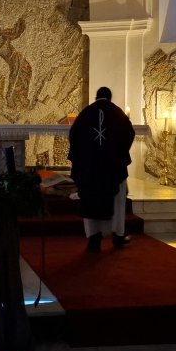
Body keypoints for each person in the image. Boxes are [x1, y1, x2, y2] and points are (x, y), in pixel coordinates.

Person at [68, 87, 136, 253]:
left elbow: (74, 136)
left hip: (90, 170)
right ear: (110, 98)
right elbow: (130, 133)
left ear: (96, 97)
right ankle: (118, 237)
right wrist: (118, 154)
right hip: (113, 169)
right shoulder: (118, 113)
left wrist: (84, 159)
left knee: (90, 200)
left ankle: (94, 240)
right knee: (117, 203)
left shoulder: (85, 114)